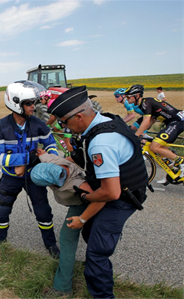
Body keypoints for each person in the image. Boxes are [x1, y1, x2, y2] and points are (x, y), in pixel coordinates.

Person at [48, 85, 148, 299]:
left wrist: (85, 202)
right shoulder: (106, 122)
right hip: (126, 189)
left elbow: (110, 193)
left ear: (79, 117)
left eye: (65, 122)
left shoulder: (101, 143)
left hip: (122, 199)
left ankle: (102, 293)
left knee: (96, 254)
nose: (64, 127)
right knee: (91, 233)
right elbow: (82, 159)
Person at [0, 81, 60, 258]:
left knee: (43, 212)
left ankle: (50, 245)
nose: (33, 106)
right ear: (16, 104)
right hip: (10, 177)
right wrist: (27, 158)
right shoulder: (0, 128)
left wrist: (47, 157)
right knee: (2, 210)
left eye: (33, 102)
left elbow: (51, 144)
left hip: (34, 176)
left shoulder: (38, 124)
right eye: (28, 103)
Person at [31, 149, 105, 298]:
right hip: (82, 200)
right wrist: (39, 153)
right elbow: (42, 153)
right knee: (91, 233)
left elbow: (100, 199)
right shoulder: (51, 161)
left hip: (87, 203)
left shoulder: (79, 186)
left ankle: (62, 287)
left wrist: (82, 219)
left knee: (67, 239)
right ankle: (92, 263)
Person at [124, 84, 184, 176]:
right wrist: (142, 133)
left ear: (137, 96)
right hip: (173, 122)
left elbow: (146, 120)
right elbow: (152, 120)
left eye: (128, 96)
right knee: (161, 150)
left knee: (154, 147)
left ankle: (182, 163)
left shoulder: (145, 103)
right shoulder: (143, 103)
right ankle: (172, 174)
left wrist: (136, 135)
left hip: (177, 121)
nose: (127, 99)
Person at [40, 90, 74, 155]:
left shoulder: (51, 104)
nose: (40, 101)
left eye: (41, 99)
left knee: (67, 140)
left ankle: (70, 155)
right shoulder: (51, 102)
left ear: (46, 98)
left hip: (68, 120)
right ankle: (67, 139)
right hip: (64, 120)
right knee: (55, 129)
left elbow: (53, 117)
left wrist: (46, 125)